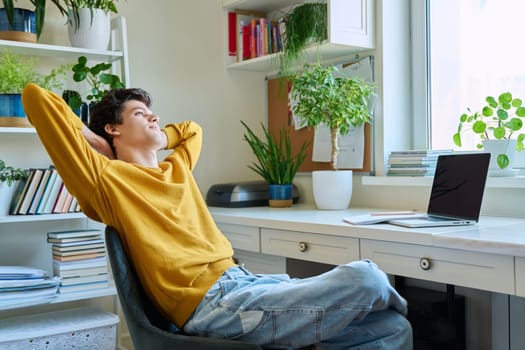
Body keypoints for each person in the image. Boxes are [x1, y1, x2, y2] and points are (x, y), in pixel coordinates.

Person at [22, 83, 412, 349]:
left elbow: (192, 131)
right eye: (141, 114)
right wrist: (99, 143)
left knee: (390, 328)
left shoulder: (176, 169)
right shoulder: (106, 181)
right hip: (214, 306)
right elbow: (36, 98)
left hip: (245, 282)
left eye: (154, 113)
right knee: (366, 276)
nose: (155, 119)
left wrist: (157, 136)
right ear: (113, 129)